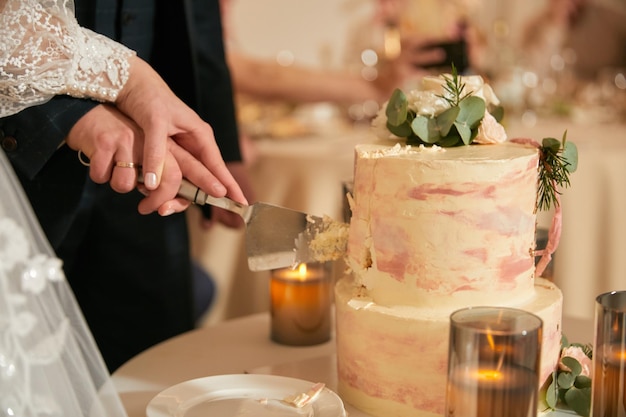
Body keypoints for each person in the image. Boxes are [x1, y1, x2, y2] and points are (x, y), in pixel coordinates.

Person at [0, 0, 249, 372]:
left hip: (154, 163)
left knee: (153, 370)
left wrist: (221, 141)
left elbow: (198, 15)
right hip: (22, 167)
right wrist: (72, 115)